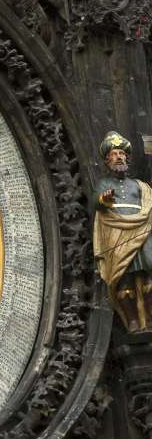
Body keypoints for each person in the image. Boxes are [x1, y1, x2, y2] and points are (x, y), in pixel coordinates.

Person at [93, 132, 152, 333]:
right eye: (114, 154)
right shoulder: (105, 184)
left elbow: (148, 203)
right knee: (123, 278)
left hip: (142, 232)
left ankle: (149, 317)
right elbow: (97, 203)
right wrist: (104, 200)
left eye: (121, 153)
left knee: (148, 273)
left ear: (126, 157)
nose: (119, 157)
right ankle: (133, 320)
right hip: (118, 233)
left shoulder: (138, 185)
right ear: (107, 159)